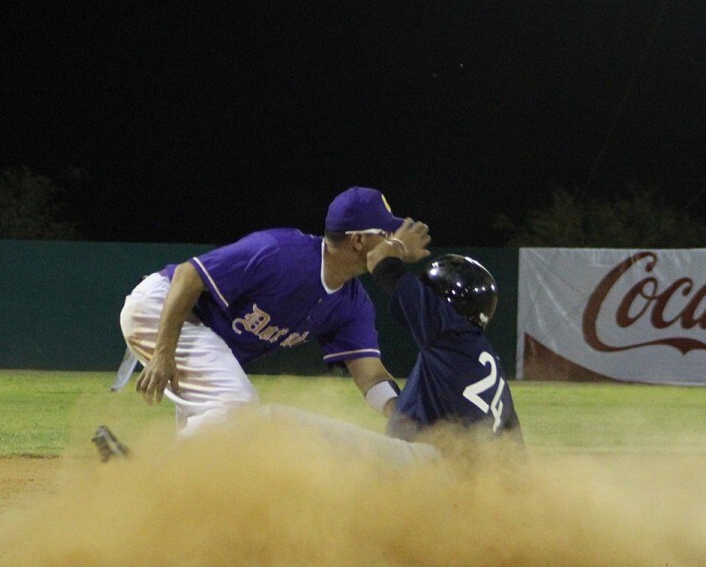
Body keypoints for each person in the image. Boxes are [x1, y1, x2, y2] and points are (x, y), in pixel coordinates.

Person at [113, 187, 419, 443]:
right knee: (238, 405)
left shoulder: (352, 303)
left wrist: (401, 417)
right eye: (387, 233)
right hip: (162, 305)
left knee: (219, 435)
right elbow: (187, 275)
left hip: (203, 333)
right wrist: (164, 352)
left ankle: (170, 496)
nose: (395, 242)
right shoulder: (281, 252)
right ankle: (142, 474)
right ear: (358, 240)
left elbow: (372, 376)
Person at [364, 222, 523, 445]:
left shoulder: (445, 326)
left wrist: (398, 245)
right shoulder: (489, 362)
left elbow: (377, 260)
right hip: (478, 475)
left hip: (426, 470)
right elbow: (515, 454)